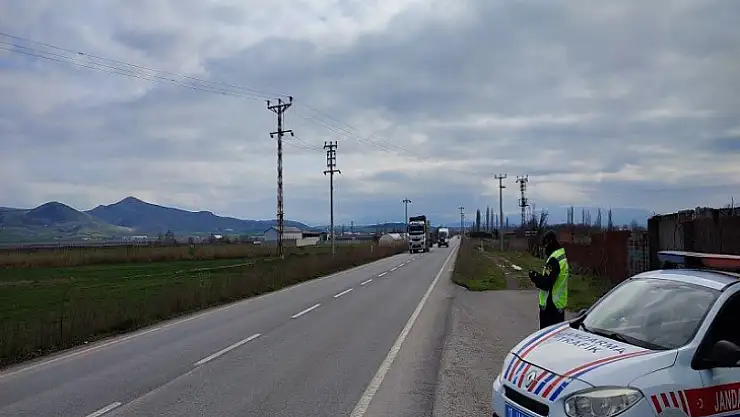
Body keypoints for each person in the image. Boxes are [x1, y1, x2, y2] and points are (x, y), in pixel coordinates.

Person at [528, 230, 569, 329]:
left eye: (545, 246)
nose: (545, 249)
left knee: (547, 336)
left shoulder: (554, 260)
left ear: (550, 243)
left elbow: (546, 284)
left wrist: (534, 276)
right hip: (558, 304)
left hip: (551, 306)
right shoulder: (561, 256)